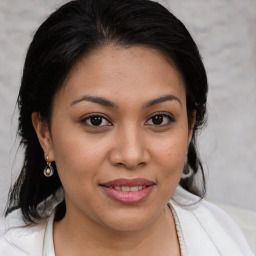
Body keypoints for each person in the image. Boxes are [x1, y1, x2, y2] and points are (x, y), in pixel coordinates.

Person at [0, 0, 254, 255]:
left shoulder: (243, 241)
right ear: (45, 134)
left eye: (158, 119)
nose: (131, 155)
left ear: (189, 127)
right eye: (96, 120)